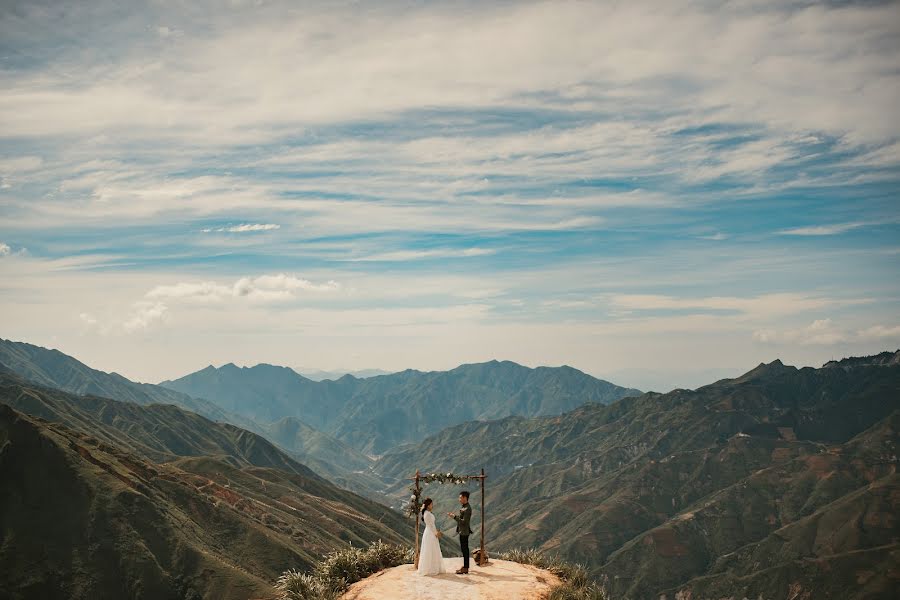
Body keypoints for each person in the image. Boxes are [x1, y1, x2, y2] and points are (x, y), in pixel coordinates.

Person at [417, 498, 445, 576]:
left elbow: (432, 525)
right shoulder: (427, 514)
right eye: (431, 504)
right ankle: (431, 568)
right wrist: (436, 533)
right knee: (430, 550)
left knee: (431, 550)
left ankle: (432, 567)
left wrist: (436, 532)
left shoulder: (427, 513)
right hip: (430, 533)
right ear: (428, 505)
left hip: (430, 532)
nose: (432, 505)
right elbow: (431, 525)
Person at [448, 491, 472, 574]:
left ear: (465, 498)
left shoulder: (467, 509)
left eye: (460, 498)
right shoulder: (464, 507)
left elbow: (464, 522)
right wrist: (454, 516)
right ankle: (465, 566)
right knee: (464, 549)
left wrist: (454, 517)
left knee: (465, 549)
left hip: (464, 532)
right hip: (462, 531)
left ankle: (466, 568)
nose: (459, 499)